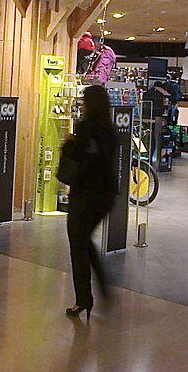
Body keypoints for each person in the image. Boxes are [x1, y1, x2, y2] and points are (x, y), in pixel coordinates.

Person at [63, 85, 118, 320]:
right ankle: (102, 287)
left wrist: (69, 142)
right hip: (106, 195)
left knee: (78, 245)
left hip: (85, 194)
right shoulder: (110, 131)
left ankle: (83, 299)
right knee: (84, 240)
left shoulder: (86, 127)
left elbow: (79, 158)